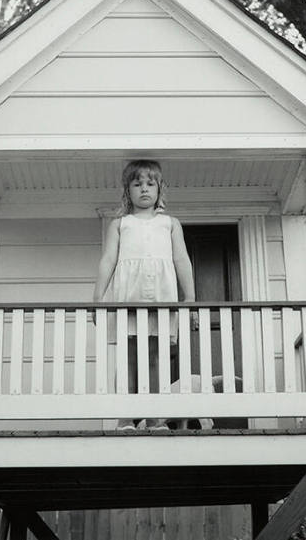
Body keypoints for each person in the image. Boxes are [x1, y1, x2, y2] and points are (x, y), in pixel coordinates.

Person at [93, 159, 195, 430]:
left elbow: (182, 261)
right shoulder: (120, 224)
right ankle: (125, 418)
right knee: (127, 359)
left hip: (161, 299)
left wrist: (190, 299)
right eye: (137, 184)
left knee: (155, 358)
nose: (144, 189)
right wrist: (97, 298)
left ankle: (154, 418)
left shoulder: (170, 224)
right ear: (128, 191)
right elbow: (108, 261)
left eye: (151, 184)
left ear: (160, 189)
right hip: (128, 297)